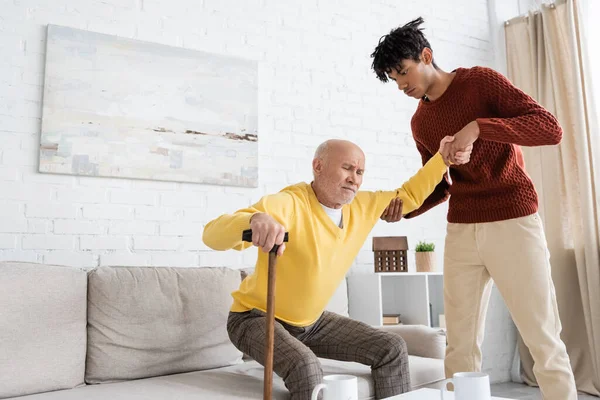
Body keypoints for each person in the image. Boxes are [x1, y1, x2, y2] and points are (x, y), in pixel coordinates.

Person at [370, 17, 577, 400]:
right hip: (463, 229)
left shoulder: (479, 82)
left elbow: (549, 128)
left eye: (404, 72)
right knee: (460, 345)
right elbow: (438, 187)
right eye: (393, 79)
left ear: (426, 56)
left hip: (513, 220)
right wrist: (405, 210)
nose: (401, 85)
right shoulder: (421, 122)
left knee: (542, 336)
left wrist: (480, 126)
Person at [202, 137, 471, 400]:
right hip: (254, 319)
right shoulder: (289, 203)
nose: (354, 178)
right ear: (318, 166)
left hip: (312, 323)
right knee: (305, 367)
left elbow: (410, 196)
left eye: (360, 171)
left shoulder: (363, 206)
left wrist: (441, 159)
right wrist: (255, 219)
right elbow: (211, 235)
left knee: (391, 347)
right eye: (346, 168)